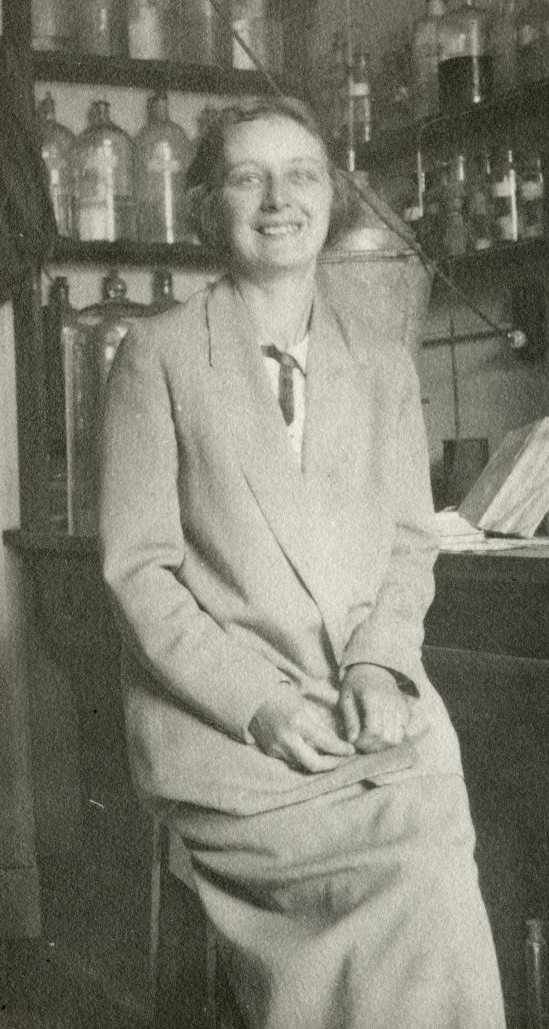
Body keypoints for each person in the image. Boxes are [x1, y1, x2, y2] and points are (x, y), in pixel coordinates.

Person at [99, 97, 505, 1029]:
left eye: (302, 175)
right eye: (247, 177)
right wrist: (263, 704)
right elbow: (140, 572)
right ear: (208, 208)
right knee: (405, 882)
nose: (278, 198)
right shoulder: (157, 357)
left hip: (368, 713)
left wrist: (375, 664)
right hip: (229, 734)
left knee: (432, 861)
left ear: (332, 198)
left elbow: (409, 541)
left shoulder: (380, 361)